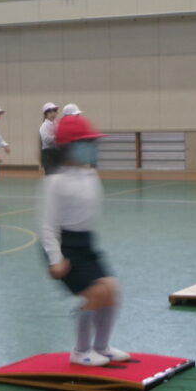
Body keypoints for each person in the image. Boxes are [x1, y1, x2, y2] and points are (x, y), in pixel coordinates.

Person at [40, 114, 128, 367]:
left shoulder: (90, 176)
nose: (90, 147)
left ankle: (101, 346)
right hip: (63, 245)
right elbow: (48, 225)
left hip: (85, 243)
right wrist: (55, 259)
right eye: (85, 143)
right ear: (69, 147)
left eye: (91, 143)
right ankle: (80, 351)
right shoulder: (55, 182)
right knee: (96, 293)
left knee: (111, 289)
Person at [39, 102, 59, 174]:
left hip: (56, 152)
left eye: (55, 111)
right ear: (46, 114)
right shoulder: (44, 126)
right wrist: (57, 137)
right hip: (48, 153)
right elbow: (47, 140)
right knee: (50, 175)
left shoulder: (56, 124)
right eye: (50, 112)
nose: (53, 114)